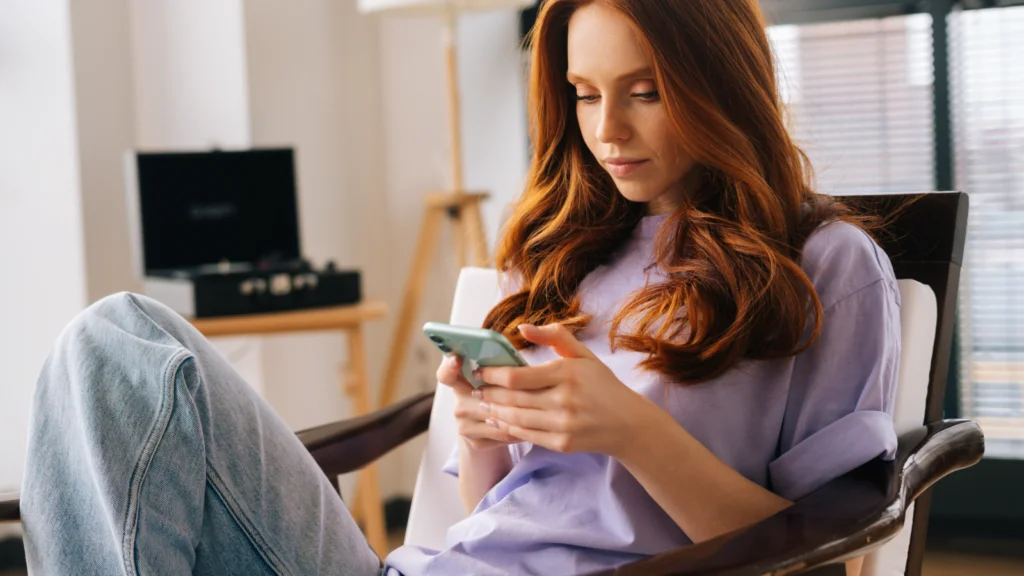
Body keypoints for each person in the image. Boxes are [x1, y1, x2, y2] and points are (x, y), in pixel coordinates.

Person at [20, 0, 900, 574]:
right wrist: (482, 432)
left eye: (644, 93)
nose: (606, 132)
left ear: (721, 84)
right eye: (584, 94)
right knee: (116, 341)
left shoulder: (826, 267)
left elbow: (833, 560)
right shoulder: (566, 253)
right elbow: (497, 520)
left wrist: (633, 431)